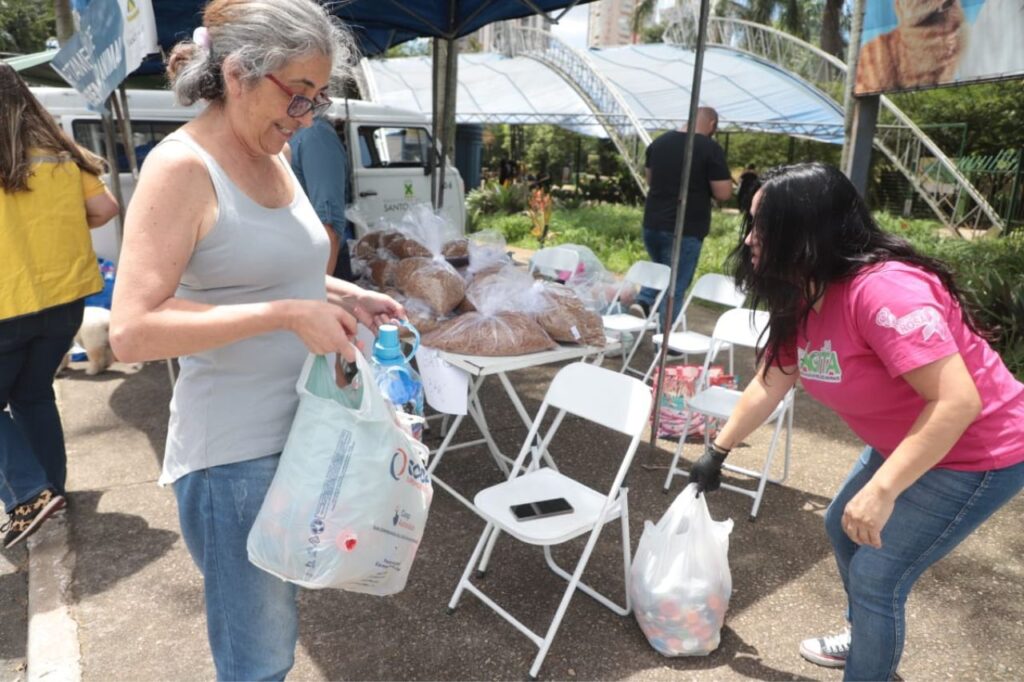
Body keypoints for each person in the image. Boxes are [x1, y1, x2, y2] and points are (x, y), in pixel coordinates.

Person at [109, 1, 403, 678]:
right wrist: (284, 315)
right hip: (233, 458)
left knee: (274, 636)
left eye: (318, 100)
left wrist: (341, 292)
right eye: (298, 97)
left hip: (297, 435)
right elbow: (130, 330)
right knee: (258, 660)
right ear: (238, 74)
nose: (306, 117)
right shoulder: (183, 167)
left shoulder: (274, 151)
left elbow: (262, 268)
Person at [689, 162, 1024, 681]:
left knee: (877, 576)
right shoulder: (803, 290)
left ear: (807, 229)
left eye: (764, 226)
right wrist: (717, 452)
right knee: (841, 526)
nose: (751, 239)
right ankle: (868, 638)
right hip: (908, 440)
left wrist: (885, 489)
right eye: (751, 225)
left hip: (978, 452)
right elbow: (769, 382)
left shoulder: (884, 291)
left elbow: (956, 403)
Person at [0, 64, 119, 549]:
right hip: (65, 301)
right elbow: (105, 208)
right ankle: (51, 491)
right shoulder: (61, 154)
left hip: (7, 304)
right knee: (32, 395)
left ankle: (29, 493)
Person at [632, 107, 732, 326]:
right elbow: (723, 192)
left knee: (661, 270)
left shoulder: (659, 143)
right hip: (685, 227)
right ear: (712, 124)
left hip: (653, 223)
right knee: (675, 286)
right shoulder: (709, 148)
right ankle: (666, 342)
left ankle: (645, 300)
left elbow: (650, 179)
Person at [289, 113, 352, 278]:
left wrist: (320, 294)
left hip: (320, 267)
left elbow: (328, 225)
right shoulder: (293, 135)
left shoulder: (315, 135)